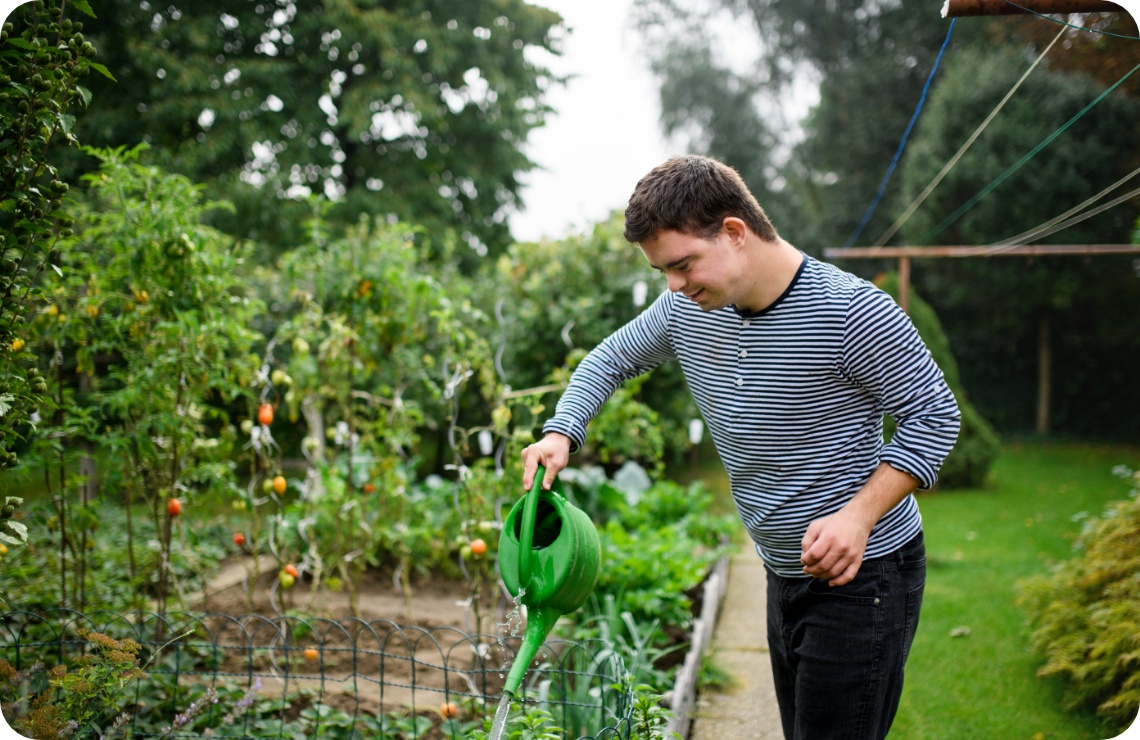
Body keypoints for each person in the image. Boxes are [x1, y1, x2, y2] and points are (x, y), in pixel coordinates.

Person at [520, 154, 960, 739]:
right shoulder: (686, 309)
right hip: (783, 568)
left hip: (866, 575)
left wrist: (858, 516)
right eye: (663, 273)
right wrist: (561, 431)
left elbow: (935, 415)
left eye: (682, 265)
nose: (674, 286)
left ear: (733, 232)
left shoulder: (850, 311)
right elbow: (609, 359)